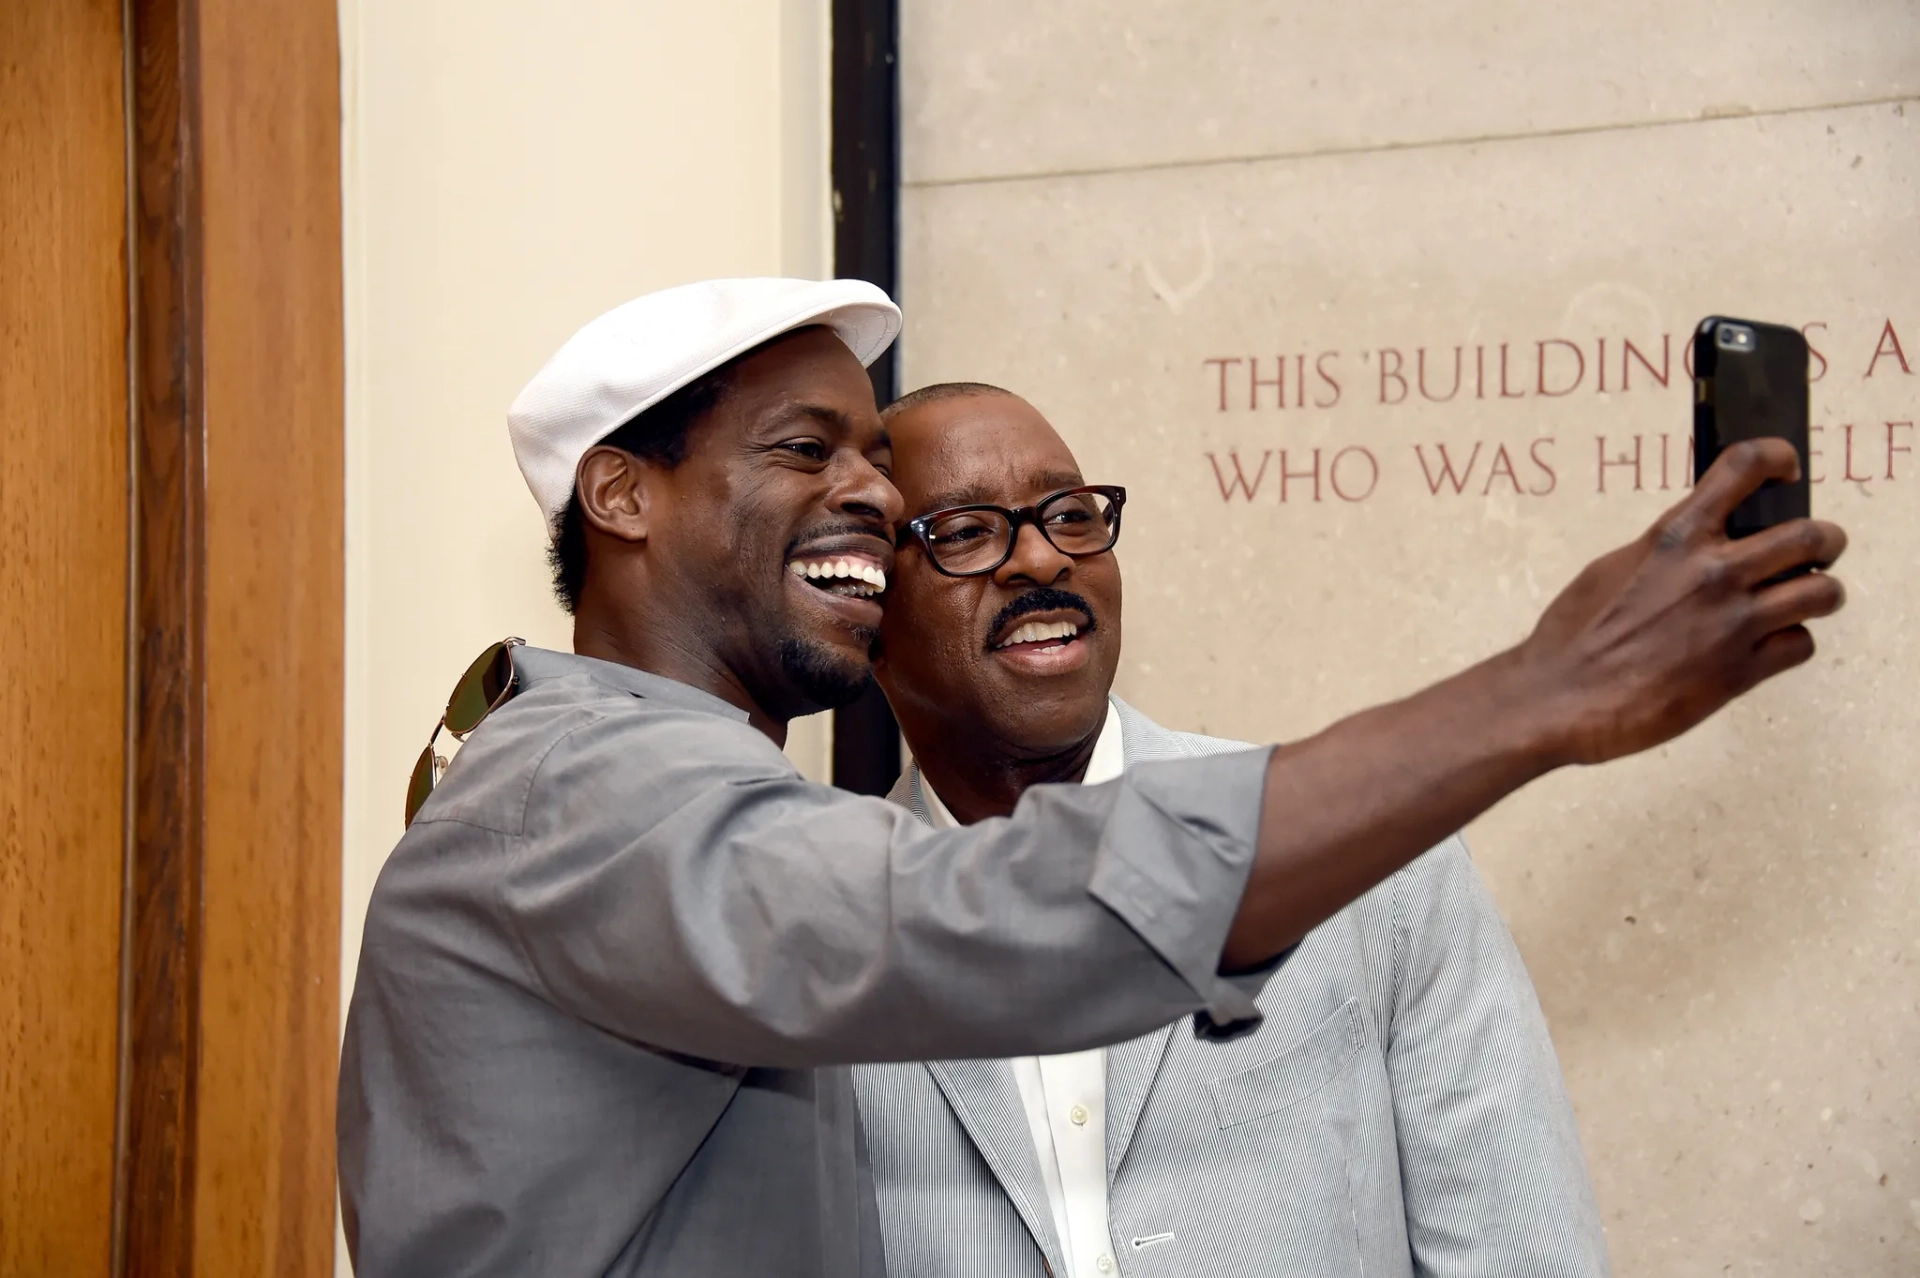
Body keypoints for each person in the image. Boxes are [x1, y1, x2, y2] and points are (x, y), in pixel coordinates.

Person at [336, 278, 1846, 1278]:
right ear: (621, 491)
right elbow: (965, 919)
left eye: (872, 454)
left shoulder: (702, 804)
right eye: (807, 449)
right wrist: (1539, 693)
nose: (867, 488)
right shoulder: (582, 798)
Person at [854, 382, 1612, 1277]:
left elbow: (1521, 1249)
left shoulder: (1364, 856)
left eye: (1070, 514)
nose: (1042, 559)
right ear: (866, 620)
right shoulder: (815, 920)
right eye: (967, 533)